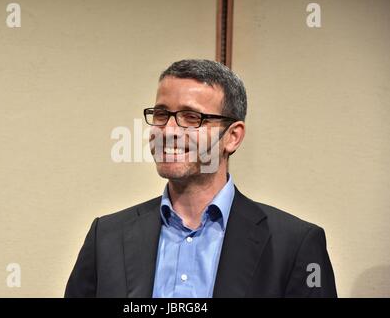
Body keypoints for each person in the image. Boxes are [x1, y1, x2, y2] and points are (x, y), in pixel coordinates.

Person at [65, 59, 337, 298]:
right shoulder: (106, 237)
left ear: (232, 136)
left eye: (191, 117)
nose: (168, 130)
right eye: (161, 114)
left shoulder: (294, 244)